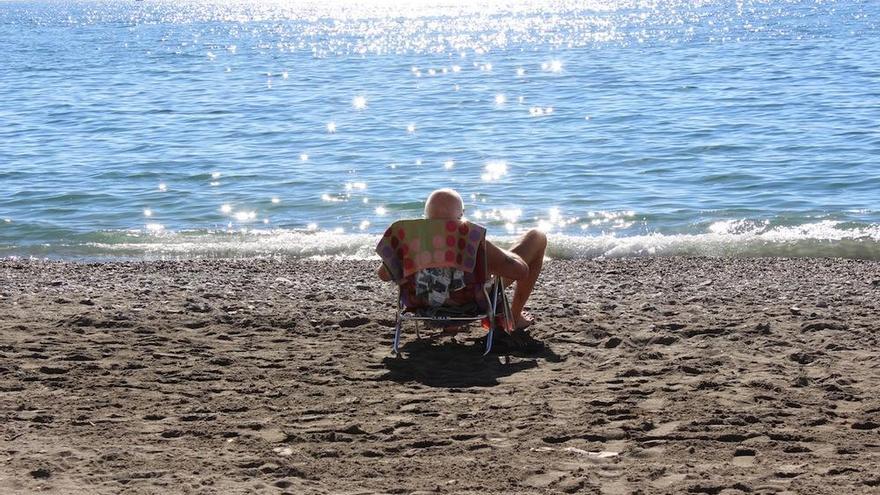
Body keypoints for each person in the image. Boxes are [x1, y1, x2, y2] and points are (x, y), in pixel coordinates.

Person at [378, 188, 547, 331]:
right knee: (537, 236)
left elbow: (384, 274)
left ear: (426, 218)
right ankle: (514, 318)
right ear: (461, 215)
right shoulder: (470, 242)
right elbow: (521, 270)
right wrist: (493, 250)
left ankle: (450, 324)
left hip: (425, 304)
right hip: (470, 304)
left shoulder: (411, 244)